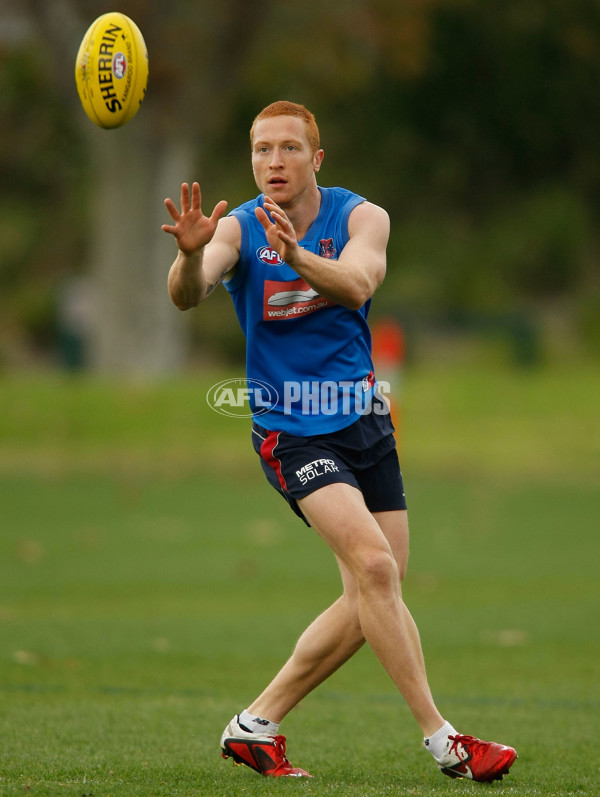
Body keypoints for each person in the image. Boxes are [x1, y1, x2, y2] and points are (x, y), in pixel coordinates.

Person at [162, 100, 517, 783]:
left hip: (364, 422)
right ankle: (444, 740)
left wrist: (297, 255)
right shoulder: (235, 229)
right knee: (376, 571)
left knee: (371, 595)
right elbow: (187, 294)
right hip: (291, 431)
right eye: (262, 149)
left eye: (289, 148)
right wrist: (189, 255)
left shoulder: (361, 217)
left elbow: (356, 283)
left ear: (316, 159)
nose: (274, 162)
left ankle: (254, 723)